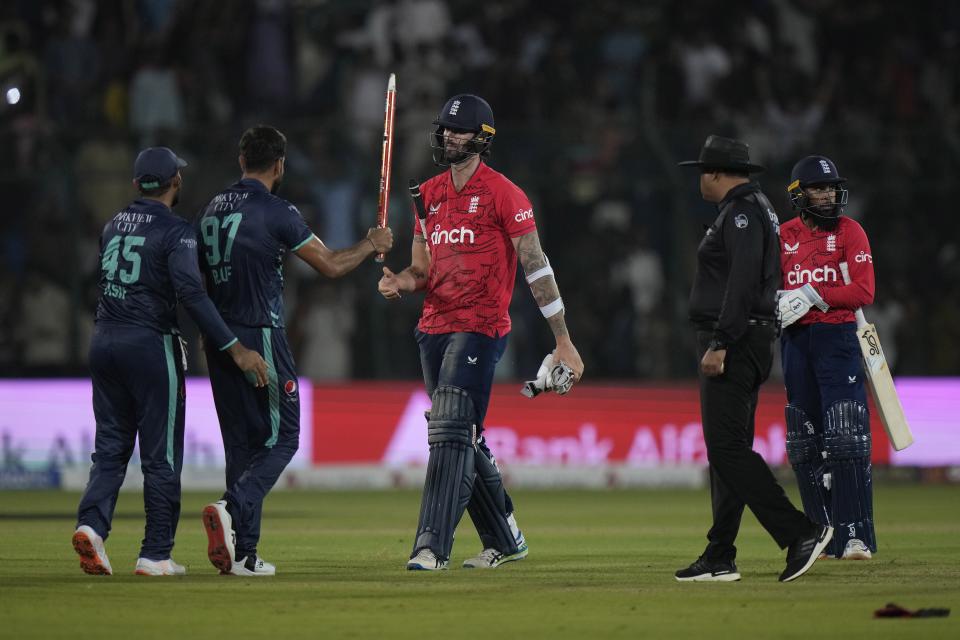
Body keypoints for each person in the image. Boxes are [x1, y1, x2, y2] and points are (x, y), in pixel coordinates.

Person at [377, 94, 584, 571]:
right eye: (445, 129)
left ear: (483, 138)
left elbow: (536, 266)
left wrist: (563, 339)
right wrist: (398, 282)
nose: (448, 135)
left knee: (449, 428)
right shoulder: (425, 195)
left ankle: (431, 547)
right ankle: (505, 540)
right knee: (462, 435)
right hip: (432, 328)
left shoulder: (505, 194)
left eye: (459, 130)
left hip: (480, 327)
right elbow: (420, 272)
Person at [198, 125, 393, 576]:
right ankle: (232, 508)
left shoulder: (209, 210)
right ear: (280, 164)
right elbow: (329, 265)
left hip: (218, 338)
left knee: (242, 448)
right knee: (284, 436)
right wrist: (370, 244)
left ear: (241, 160)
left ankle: (244, 554)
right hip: (260, 334)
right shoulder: (277, 211)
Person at [73, 147, 269, 576]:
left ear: (135, 185)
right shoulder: (176, 232)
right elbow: (192, 294)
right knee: (160, 457)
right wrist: (235, 347)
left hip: (103, 340)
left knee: (109, 450)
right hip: (148, 344)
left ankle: (91, 526)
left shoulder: (111, 226)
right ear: (175, 182)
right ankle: (155, 553)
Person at [677, 135, 832, 583]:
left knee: (725, 449)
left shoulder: (741, 212)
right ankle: (720, 553)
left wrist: (721, 340)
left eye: (702, 173)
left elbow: (742, 282)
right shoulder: (755, 207)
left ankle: (799, 532)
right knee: (730, 451)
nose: (700, 181)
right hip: (751, 338)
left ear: (716, 174)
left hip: (736, 340)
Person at [777, 155, 876, 560]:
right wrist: (779, 301)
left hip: (837, 337)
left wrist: (815, 296)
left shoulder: (851, 232)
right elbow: (765, 289)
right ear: (799, 194)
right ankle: (823, 536)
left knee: (845, 435)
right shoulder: (782, 236)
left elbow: (864, 292)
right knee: (804, 439)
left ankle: (854, 536)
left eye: (832, 187)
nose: (829, 194)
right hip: (796, 341)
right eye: (819, 188)